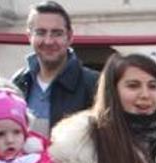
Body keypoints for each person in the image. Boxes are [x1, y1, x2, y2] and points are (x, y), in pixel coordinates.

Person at [12, 1, 99, 135]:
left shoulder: (94, 84)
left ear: (69, 37)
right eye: (41, 32)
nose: (48, 41)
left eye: (57, 33)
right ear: (29, 36)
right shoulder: (17, 83)